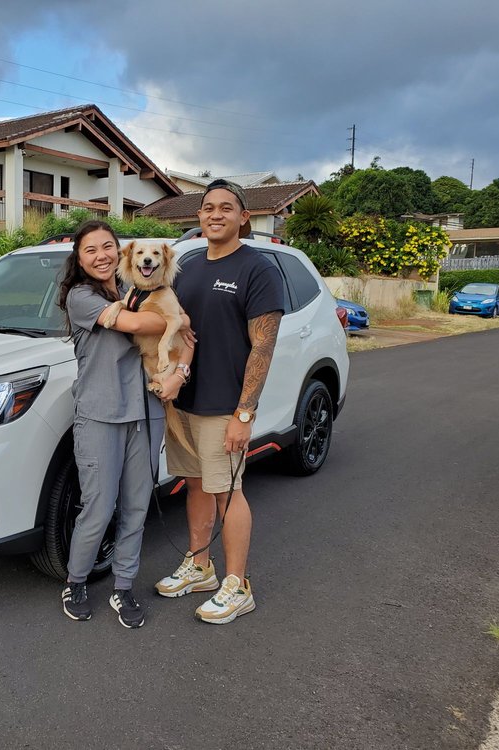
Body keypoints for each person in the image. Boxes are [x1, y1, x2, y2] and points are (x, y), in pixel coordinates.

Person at [154, 179, 285, 625]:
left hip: (224, 406)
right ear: (199, 215)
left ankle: (237, 584)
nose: (215, 214)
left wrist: (244, 414)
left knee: (228, 492)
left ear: (243, 217)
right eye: (208, 207)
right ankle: (200, 566)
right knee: (195, 485)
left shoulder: (257, 269)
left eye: (226, 208)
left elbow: (263, 347)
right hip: (183, 403)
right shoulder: (188, 267)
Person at [57, 220, 190, 629]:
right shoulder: (82, 297)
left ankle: (124, 585)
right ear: (80, 259)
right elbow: (135, 325)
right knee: (99, 507)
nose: (102, 255)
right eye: (91, 249)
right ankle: (76, 581)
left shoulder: (136, 289)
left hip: (146, 412)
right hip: (100, 414)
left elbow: (188, 341)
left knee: (136, 506)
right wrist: (179, 318)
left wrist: (180, 370)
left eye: (108, 246)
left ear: (120, 252)